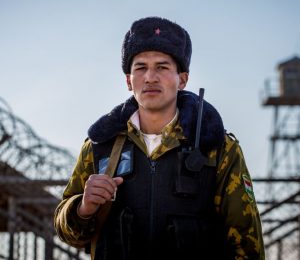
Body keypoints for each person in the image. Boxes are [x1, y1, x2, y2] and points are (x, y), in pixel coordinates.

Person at [54, 16, 265, 260]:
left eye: (162, 67)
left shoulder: (217, 149)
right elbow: (68, 232)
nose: (150, 77)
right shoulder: (100, 147)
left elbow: (247, 244)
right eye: (140, 67)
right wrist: (82, 209)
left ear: (182, 79)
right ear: (128, 80)